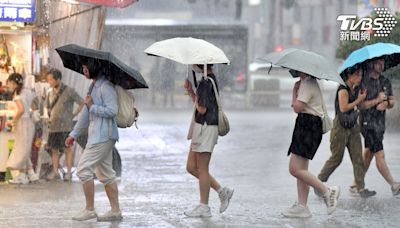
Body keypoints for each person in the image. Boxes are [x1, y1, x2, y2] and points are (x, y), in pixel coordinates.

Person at [65, 59, 122, 221]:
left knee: (83, 169)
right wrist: (73, 135)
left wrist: (92, 107)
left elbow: (112, 111)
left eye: (85, 67)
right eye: (82, 67)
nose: (83, 70)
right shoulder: (93, 87)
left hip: (103, 136)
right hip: (97, 135)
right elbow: (85, 113)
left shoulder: (106, 87)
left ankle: (90, 209)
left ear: (94, 67)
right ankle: (115, 211)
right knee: (106, 174)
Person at [283, 71, 340, 218]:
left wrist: (294, 91)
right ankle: (302, 206)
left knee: (294, 169)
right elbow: (298, 107)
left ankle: (327, 191)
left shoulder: (307, 83)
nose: (292, 71)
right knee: (301, 170)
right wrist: (297, 90)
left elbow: (297, 107)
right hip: (308, 125)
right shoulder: (308, 83)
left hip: (308, 126)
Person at [316, 64, 376, 198]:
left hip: (353, 125)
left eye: (361, 75)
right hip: (340, 127)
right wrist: (359, 100)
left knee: (357, 158)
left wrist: (365, 99)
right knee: (337, 158)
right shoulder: (342, 89)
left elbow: (359, 106)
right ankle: (318, 182)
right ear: (349, 75)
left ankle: (361, 188)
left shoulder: (356, 89)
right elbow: (343, 108)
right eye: (357, 75)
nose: (360, 77)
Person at [183, 64, 233, 218]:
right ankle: (222, 191)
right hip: (202, 127)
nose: (192, 66)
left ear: (200, 65)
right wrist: (191, 91)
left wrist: (196, 95)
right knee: (191, 167)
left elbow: (202, 109)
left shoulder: (206, 82)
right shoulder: (207, 80)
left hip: (206, 128)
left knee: (202, 168)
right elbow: (201, 105)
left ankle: (204, 206)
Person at [358, 58, 400, 196]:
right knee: (379, 154)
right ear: (371, 64)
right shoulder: (363, 81)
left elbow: (392, 100)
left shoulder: (385, 81)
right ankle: (394, 185)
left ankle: (356, 183)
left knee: (369, 154)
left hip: (380, 123)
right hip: (367, 123)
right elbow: (361, 105)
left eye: (382, 63)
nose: (381, 65)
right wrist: (376, 100)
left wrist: (387, 104)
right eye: (378, 63)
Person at [45, 68, 84, 181]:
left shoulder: (69, 91)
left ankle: (68, 172)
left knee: (67, 149)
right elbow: (47, 106)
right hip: (53, 126)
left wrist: (74, 114)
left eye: (51, 79)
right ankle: (55, 172)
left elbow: (81, 102)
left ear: (58, 79)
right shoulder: (49, 92)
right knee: (54, 149)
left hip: (66, 126)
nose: (49, 82)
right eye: (48, 80)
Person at [6, 73, 39, 184]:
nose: (8, 85)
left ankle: (22, 175)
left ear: (13, 83)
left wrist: (13, 120)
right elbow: (34, 104)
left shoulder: (17, 93)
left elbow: (21, 110)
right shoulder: (28, 91)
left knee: (21, 150)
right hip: (29, 123)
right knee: (25, 149)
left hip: (23, 123)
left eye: (9, 83)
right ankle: (31, 174)